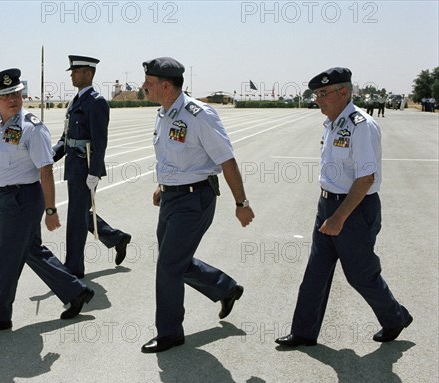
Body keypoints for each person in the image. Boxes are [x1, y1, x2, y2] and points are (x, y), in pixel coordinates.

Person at [275, 67, 412, 348]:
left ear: (344, 92)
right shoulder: (333, 124)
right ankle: (303, 332)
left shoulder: (361, 126)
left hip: (355, 210)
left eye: (324, 93)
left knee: (360, 274)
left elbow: (365, 178)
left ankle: (395, 317)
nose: (318, 99)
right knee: (316, 271)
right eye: (317, 94)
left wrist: (339, 217)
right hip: (328, 204)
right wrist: (329, 211)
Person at [0, 68, 94, 335]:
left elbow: (45, 170)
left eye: (17, 94)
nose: (14, 99)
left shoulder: (32, 128)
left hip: (25, 198)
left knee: (5, 258)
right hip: (8, 198)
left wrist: (50, 210)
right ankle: (76, 291)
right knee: (31, 251)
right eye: (6, 95)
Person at [139, 57, 255, 353]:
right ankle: (224, 288)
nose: (143, 87)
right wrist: (161, 185)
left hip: (194, 199)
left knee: (168, 265)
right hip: (172, 197)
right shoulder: (163, 113)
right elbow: (171, 157)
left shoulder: (199, 115)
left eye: (149, 84)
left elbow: (226, 159)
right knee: (174, 260)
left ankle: (170, 333)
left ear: (166, 86)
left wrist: (241, 202)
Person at [53, 55, 132, 279]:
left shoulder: (96, 102)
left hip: (86, 167)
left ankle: (73, 269)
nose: (71, 75)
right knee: (80, 213)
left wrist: (94, 173)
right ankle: (116, 238)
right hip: (73, 165)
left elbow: (100, 141)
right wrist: (48, 156)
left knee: (76, 217)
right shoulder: (75, 101)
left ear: (88, 74)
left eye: (76, 71)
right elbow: (65, 138)